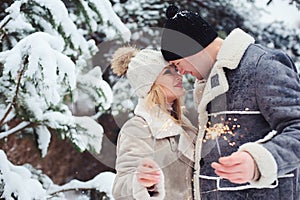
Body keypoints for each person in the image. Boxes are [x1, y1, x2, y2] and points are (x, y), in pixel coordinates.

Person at [160, 5, 300, 200]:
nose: (180, 72)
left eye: (177, 64)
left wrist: (259, 161)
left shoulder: (263, 66)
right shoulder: (212, 81)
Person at [110, 46, 197, 199]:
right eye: (168, 72)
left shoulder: (185, 126)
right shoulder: (138, 128)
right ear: (150, 84)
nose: (179, 76)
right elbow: (121, 187)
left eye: (176, 70)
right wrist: (140, 182)